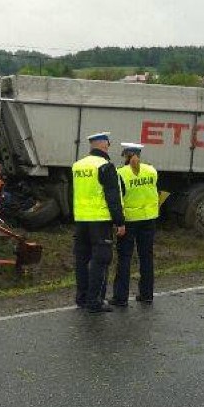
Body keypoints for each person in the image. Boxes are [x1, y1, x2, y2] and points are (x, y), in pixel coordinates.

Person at [72, 131, 126, 313]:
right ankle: (95, 301)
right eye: (108, 144)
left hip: (81, 220)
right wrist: (120, 222)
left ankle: (82, 298)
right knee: (101, 260)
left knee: (82, 259)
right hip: (100, 220)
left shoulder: (78, 166)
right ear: (104, 145)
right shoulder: (105, 166)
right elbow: (113, 196)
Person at [111, 142, 159, 306]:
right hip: (149, 219)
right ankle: (147, 295)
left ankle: (120, 297)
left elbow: (119, 199)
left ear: (126, 155)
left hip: (130, 221)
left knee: (125, 258)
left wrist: (119, 222)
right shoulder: (151, 170)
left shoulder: (121, 173)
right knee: (146, 257)